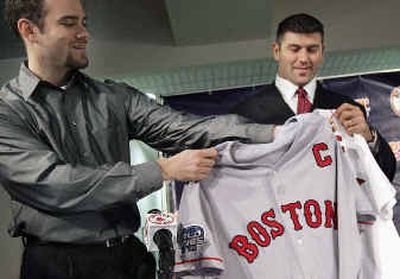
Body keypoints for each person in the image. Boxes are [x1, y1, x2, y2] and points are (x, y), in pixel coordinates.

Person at [0, 0, 276, 278]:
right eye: (69, 23)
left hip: (129, 259)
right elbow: (54, 184)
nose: (84, 34)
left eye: (84, 23)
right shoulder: (7, 112)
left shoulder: (114, 97)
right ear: (29, 30)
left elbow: (184, 129)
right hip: (58, 267)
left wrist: (278, 133)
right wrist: (163, 170)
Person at [231, 13, 396, 181]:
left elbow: (384, 176)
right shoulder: (245, 115)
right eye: (294, 49)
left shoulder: (347, 108)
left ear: (322, 52)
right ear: (277, 51)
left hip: (336, 207)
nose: (303, 59)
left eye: (312, 50)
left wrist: (368, 137)